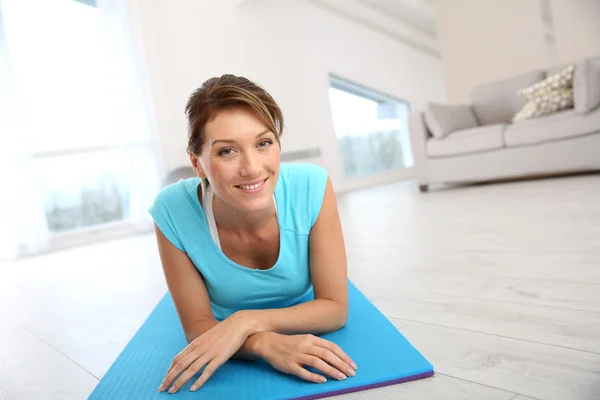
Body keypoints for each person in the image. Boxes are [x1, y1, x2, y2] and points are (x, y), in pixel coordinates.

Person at [148, 74, 357, 394]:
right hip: (223, 323)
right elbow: (199, 326)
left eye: (263, 143)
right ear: (198, 163)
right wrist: (264, 344)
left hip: (245, 322)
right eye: (227, 151)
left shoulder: (311, 186)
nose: (252, 168)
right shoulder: (172, 211)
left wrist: (243, 322)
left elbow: (334, 307)